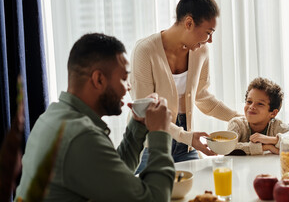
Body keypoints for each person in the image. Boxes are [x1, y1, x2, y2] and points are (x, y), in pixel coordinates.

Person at [15, 33, 175, 202]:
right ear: (98, 79)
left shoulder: (53, 116)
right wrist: (159, 132)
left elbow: (112, 177)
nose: (129, 87)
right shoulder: (80, 136)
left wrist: (138, 124)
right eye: (123, 78)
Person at [130, 0, 240, 173]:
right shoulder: (145, 51)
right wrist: (185, 136)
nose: (210, 40)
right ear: (189, 23)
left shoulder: (201, 52)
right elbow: (145, 110)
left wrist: (238, 118)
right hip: (154, 146)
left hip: (186, 146)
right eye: (208, 33)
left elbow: (202, 97)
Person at [227, 77, 289, 155]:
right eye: (249, 102)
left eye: (260, 104)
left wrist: (273, 140)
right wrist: (266, 147)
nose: (251, 106)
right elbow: (227, 147)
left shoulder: (277, 125)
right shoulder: (236, 124)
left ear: (273, 113)